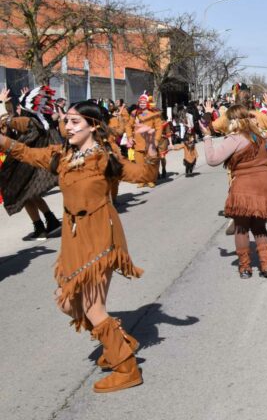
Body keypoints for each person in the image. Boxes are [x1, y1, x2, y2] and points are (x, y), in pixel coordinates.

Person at [0, 100, 159, 392]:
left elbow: (146, 176)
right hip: (73, 237)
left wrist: (150, 145)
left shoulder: (105, 159)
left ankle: (126, 368)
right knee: (65, 301)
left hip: (100, 234)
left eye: (75, 122)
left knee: (92, 307)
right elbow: (23, 151)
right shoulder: (61, 155)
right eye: (66, 121)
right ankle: (119, 342)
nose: (67, 127)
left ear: (93, 126)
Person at [199, 104, 267, 278]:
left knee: (241, 227)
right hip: (265, 184)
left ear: (233, 120)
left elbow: (212, 160)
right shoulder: (261, 136)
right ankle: (266, 265)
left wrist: (207, 137)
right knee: (260, 226)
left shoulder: (234, 139)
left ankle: (245, 267)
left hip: (245, 186)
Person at [0, 86, 61, 239]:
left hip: (24, 163)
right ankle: (50, 220)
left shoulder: (27, 121)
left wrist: (2, 102)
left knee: (23, 195)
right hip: (34, 163)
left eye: (21, 106)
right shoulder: (42, 121)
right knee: (31, 194)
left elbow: (5, 120)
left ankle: (39, 227)